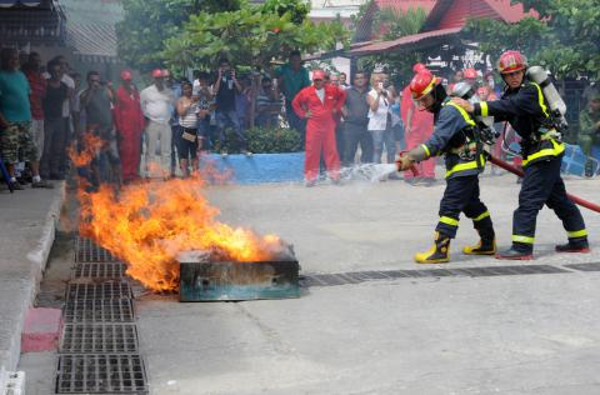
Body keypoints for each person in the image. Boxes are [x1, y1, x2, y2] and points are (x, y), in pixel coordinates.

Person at [452, 50, 589, 259]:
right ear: (503, 77)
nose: (514, 77)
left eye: (517, 72)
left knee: (529, 199)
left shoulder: (530, 91)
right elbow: (499, 112)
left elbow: (509, 106)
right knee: (559, 200)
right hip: (539, 151)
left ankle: (522, 248)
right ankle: (579, 241)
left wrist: (474, 106)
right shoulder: (511, 94)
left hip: (545, 151)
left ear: (524, 71)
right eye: (509, 74)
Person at [396, 71, 496, 264]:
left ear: (435, 91)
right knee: (471, 204)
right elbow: (442, 144)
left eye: (425, 99)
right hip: (464, 163)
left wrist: (413, 156)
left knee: (449, 206)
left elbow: (437, 141)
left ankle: (440, 251)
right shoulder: (444, 109)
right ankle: (487, 243)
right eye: (420, 101)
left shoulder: (449, 110)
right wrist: (414, 158)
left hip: (464, 164)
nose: (423, 105)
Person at [0, 48, 52, 189]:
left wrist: (30, 113)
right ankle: (12, 179)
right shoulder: (1, 76)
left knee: (32, 150)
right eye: (10, 58)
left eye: (16, 58)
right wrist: (2, 119)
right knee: (11, 151)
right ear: (4, 60)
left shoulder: (21, 76)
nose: (14, 61)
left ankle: (36, 178)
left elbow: (28, 95)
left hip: (26, 119)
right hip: (9, 120)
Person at [292, 69, 345, 186]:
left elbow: (342, 96)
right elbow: (295, 103)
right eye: (315, 80)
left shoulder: (332, 90)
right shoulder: (306, 92)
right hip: (314, 125)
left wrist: (337, 107)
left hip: (328, 125)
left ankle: (334, 175)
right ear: (313, 80)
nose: (317, 82)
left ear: (324, 80)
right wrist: (303, 114)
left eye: (320, 80)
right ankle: (310, 178)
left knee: (331, 150)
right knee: (312, 151)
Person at [80, 70, 121, 185]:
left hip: (108, 130)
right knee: (96, 159)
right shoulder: (84, 93)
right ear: (88, 81)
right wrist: (92, 90)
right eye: (92, 81)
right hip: (94, 132)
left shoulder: (106, 91)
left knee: (115, 158)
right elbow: (84, 104)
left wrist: (111, 88)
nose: (95, 83)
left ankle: (119, 183)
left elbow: (116, 102)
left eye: (97, 80)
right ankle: (98, 184)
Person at [402, 63, 436, 186]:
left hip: (429, 126)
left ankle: (428, 175)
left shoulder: (433, 89)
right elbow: (409, 108)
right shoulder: (412, 89)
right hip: (416, 126)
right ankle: (411, 174)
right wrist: (408, 124)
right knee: (412, 150)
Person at [140, 68, 175, 177]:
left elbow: (173, 105)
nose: (159, 80)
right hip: (152, 123)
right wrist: (147, 117)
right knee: (150, 151)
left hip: (165, 123)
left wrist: (170, 117)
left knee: (166, 151)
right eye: (157, 78)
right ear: (154, 79)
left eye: (161, 78)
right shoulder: (146, 92)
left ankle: (166, 173)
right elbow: (141, 106)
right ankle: (148, 173)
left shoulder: (168, 92)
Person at [41, 60, 70, 182]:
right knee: (46, 147)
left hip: (60, 119)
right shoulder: (45, 84)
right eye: (54, 71)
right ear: (49, 72)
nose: (57, 73)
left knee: (58, 147)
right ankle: (44, 171)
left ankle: (54, 170)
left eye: (59, 71)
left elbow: (66, 101)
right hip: (47, 119)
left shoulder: (64, 86)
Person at [114, 70, 145, 183]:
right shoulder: (119, 93)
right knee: (127, 151)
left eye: (129, 80)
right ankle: (126, 175)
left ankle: (134, 173)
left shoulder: (134, 92)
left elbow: (139, 109)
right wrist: (120, 129)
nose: (128, 82)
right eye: (126, 80)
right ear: (122, 81)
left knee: (136, 151)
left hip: (136, 128)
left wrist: (142, 125)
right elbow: (116, 113)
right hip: (125, 128)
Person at [213, 58, 249, 156]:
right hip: (220, 108)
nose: (225, 68)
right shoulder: (217, 78)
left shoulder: (231, 78)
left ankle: (242, 148)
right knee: (221, 128)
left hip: (231, 108)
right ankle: (223, 148)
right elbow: (215, 91)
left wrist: (234, 78)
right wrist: (219, 77)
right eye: (223, 66)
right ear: (220, 68)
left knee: (237, 126)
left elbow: (240, 91)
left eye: (227, 66)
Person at [276, 50, 311, 142]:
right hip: (288, 100)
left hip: (300, 101)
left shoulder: (304, 71)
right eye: (293, 60)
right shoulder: (284, 69)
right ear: (290, 60)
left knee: (301, 122)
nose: (295, 62)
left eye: (297, 60)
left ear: (300, 60)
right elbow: (274, 76)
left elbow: (306, 88)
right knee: (291, 121)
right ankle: (293, 141)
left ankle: (302, 141)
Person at [22, 52, 47, 178]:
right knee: (30, 145)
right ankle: (32, 174)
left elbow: (44, 96)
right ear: (29, 62)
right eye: (34, 60)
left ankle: (34, 174)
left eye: (38, 61)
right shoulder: (25, 77)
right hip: (28, 115)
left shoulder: (42, 78)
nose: (37, 63)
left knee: (39, 146)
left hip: (40, 115)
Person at [341, 70, 372, 165]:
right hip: (351, 126)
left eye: (361, 78)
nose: (359, 80)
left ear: (366, 79)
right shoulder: (347, 91)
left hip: (367, 126)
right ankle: (347, 173)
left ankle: (365, 173)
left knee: (368, 151)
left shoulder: (370, 91)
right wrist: (345, 114)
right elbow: (340, 104)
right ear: (353, 80)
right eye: (357, 78)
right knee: (349, 151)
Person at [367, 73, 395, 164]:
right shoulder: (370, 94)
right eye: (376, 81)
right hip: (376, 124)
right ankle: (378, 172)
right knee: (378, 148)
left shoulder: (387, 92)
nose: (378, 83)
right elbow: (374, 108)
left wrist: (385, 94)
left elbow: (392, 102)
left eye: (380, 81)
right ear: (372, 82)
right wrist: (378, 95)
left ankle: (391, 173)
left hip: (388, 123)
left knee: (391, 148)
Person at [175, 81, 200, 177]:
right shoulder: (180, 100)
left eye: (189, 88)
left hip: (193, 130)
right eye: (185, 89)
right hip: (184, 130)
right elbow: (181, 113)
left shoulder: (195, 101)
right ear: (182, 90)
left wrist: (205, 112)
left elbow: (198, 113)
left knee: (194, 153)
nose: (188, 90)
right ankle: (185, 176)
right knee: (184, 154)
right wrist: (190, 103)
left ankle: (196, 174)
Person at [578, 87, 600, 177]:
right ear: (590, 103)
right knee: (588, 140)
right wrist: (597, 125)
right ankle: (588, 170)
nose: (597, 104)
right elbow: (584, 130)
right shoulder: (584, 114)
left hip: (596, 136)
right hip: (584, 136)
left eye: (598, 102)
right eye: (595, 102)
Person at [192, 72, 214, 152]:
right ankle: (199, 145)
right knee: (199, 129)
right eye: (201, 80)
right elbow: (194, 99)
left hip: (207, 112)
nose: (202, 81)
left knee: (205, 130)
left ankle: (206, 146)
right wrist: (201, 92)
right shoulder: (196, 88)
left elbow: (211, 99)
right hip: (198, 112)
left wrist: (206, 91)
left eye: (204, 80)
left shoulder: (210, 88)